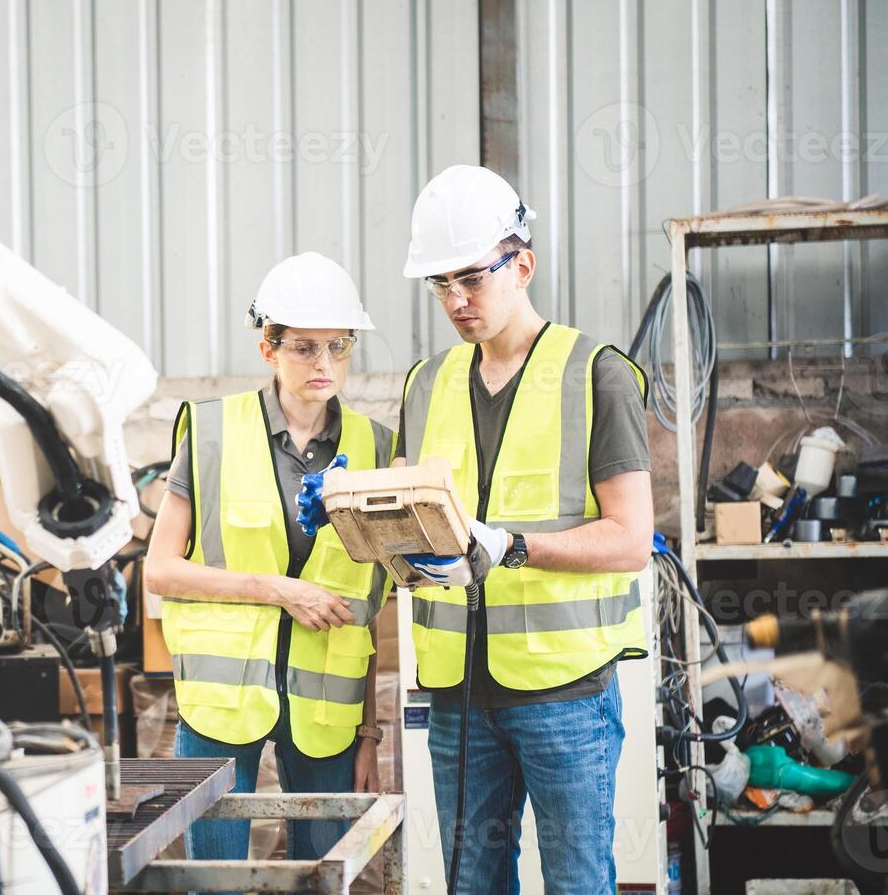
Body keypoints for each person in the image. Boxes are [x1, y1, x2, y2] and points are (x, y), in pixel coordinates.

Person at [395, 165, 653, 893]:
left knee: (577, 884)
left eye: (471, 278)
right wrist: (356, 513)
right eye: (440, 283)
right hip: (457, 695)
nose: (455, 300)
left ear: (523, 265)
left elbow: (631, 539)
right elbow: (407, 513)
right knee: (471, 884)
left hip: (564, 694)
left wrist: (510, 548)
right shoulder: (426, 383)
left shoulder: (596, 374)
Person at [144, 251, 398, 876]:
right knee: (217, 883)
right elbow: (160, 570)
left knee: (323, 879)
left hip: (328, 707)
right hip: (220, 702)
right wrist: (280, 590)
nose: (323, 363)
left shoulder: (376, 449)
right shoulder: (211, 432)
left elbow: (366, 609)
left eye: (338, 346)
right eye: (304, 348)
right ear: (269, 349)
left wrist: (369, 734)